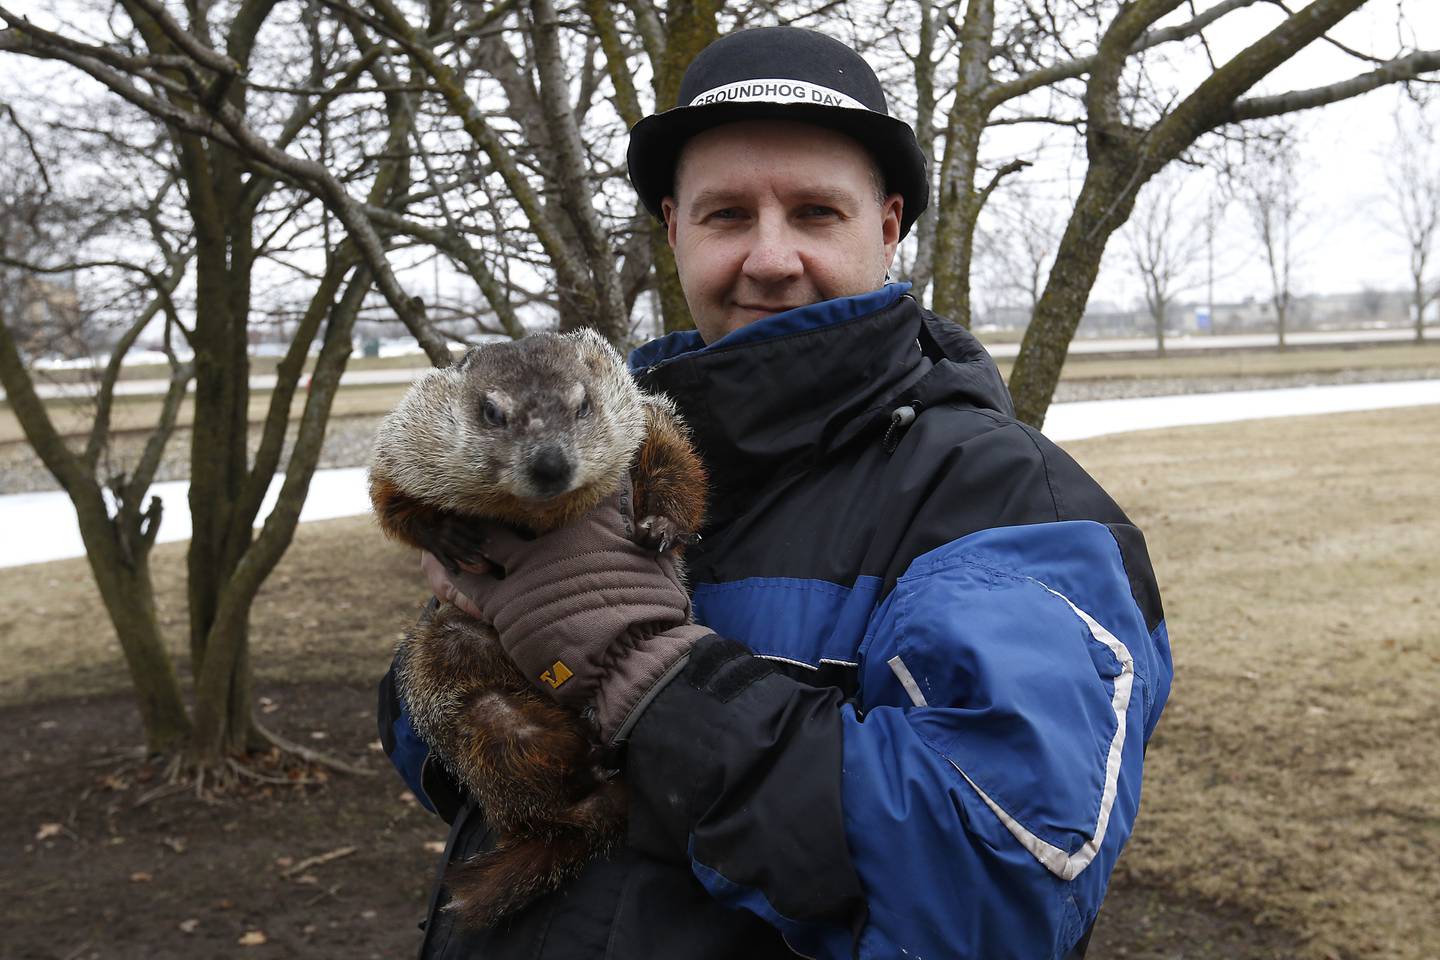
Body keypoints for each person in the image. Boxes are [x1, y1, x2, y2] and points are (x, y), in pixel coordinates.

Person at [378, 25, 1172, 960]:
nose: (769, 257)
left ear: (887, 226)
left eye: (814, 213)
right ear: (673, 231)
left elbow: (998, 886)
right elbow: (430, 759)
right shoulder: (594, 451)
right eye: (725, 216)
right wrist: (462, 675)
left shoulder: (1005, 502)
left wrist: (640, 671)